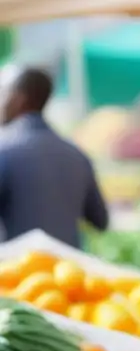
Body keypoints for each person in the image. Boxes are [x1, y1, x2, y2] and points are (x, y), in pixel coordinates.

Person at [0, 67, 109, 246]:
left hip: (17, 270)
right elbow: (100, 222)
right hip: (66, 269)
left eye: (4, 94)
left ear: (20, 99)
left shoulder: (5, 150)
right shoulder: (77, 156)